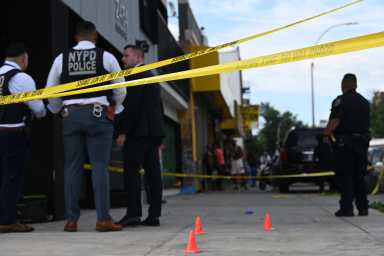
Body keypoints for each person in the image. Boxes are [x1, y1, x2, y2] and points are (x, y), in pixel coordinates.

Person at [46, 21, 126, 232]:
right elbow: (121, 88)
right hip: (98, 114)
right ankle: (103, 219)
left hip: (70, 115)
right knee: (100, 167)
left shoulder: (61, 59)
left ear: (76, 38)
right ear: (95, 36)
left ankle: (72, 220)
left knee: (72, 168)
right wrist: (114, 108)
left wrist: (57, 110)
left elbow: (50, 91)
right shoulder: (106, 57)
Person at [115, 44, 165, 227]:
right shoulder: (152, 77)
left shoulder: (134, 76)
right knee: (153, 175)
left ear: (138, 58)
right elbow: (159, 108)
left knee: (132, 174)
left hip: (137, 134)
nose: (123, 59)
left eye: (126, 55)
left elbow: (132, 109)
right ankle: (154, 215)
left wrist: (123, 132)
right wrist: (159, 136)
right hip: (152, 135)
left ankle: (133, 214)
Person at [0, 43, 46, 233]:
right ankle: (7, 220)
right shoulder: (21, 78)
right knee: (12, 177)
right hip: (12, 132)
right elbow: (38, 109)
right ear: (23, 59)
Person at [324, 73, 370, 217]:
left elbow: (335, 121)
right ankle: (363, 208)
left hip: (346, 144)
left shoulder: (341, 101)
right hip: (362, 143)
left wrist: (326, 135)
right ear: (355, 85)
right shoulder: (364, 102)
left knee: (346, 177)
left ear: (344, 85)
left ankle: (347, 208)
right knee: (359, 176)